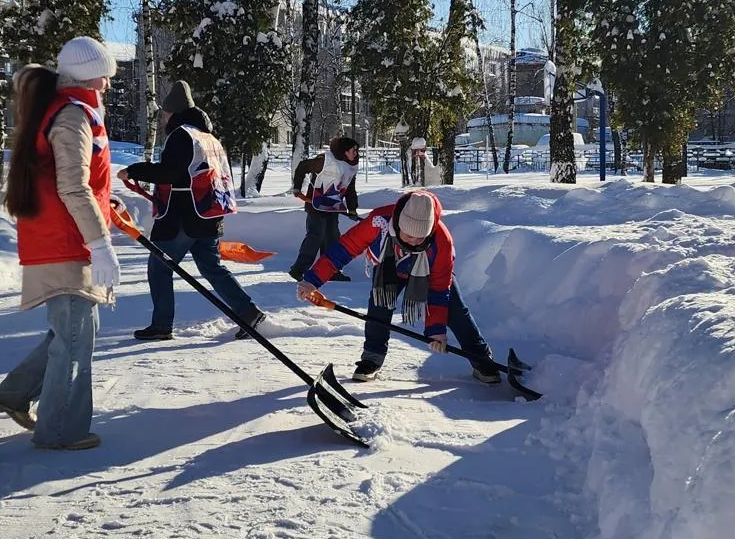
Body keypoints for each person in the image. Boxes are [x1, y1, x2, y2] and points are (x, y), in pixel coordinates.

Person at [0, 37, 123, 451]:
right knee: (75, 338)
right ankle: (61, 430)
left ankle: (14, 393)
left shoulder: (69, 111)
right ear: (89, 75)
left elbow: (77, 182)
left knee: (76, 330)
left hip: (62, 237)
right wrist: (99, 243)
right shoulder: (73, 116)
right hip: (65, 242)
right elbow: (71, 186)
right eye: (106, 76)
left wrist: (106, 204)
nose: (109, 85)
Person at [295, 188, 502, 384]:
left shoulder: (442, 241)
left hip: (428, 273)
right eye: (408, 235)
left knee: (456, 312)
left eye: (420, 237)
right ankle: (372, 358)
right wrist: (312, 280)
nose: (413, 242)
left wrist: (436, 330)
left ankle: (482, 359)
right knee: (379, 307)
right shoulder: (379, 222)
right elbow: (344, 249)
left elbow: (439, 289)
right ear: (398, 224)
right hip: (389, 267)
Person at [120, 79, 267, 341]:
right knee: (212, 268)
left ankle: (162, 325)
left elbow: (170, 173)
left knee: (159, 266)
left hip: (183, 217)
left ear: (173, 112)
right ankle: (249, 312)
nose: (164, 118)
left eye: (165, 113)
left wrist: (135, 170)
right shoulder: (208, 137)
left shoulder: (181, 135)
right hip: (208, 214)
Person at [287, 136, 361, 282]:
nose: (356, 153)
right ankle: (298, 270)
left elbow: (350, 188)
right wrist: (297, 186)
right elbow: (302, 166)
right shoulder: (324, 161)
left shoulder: (351, 166)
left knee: (333, 239)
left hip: (333, 207)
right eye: (353, 150)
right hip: (316, 205)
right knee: (315, 237)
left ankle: (330, 271)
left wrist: (352, 208)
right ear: (344, 151)